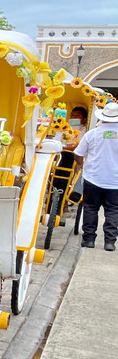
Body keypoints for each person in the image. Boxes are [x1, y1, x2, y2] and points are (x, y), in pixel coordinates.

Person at [74, 102, 118, 250]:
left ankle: (89, 240)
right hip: (115, 181)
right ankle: (110, 242)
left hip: (93, 178)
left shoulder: (92, 134)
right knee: (113, 210)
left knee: (90, 208)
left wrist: (81, 165)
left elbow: (78, 154)